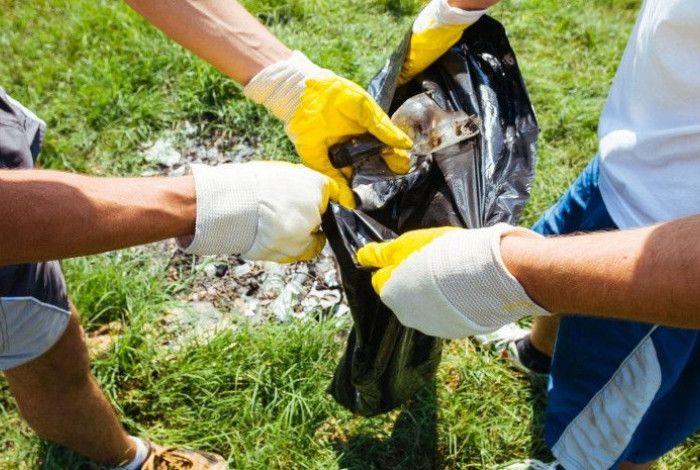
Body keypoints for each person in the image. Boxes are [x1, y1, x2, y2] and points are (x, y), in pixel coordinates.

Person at [358, 0, 700, 468]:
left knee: (616, 421)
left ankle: (577, 463)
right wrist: (454, 12)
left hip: (675, 243)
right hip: (631, 160)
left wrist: (508, 269)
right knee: (562, 247)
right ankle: (537, 353)